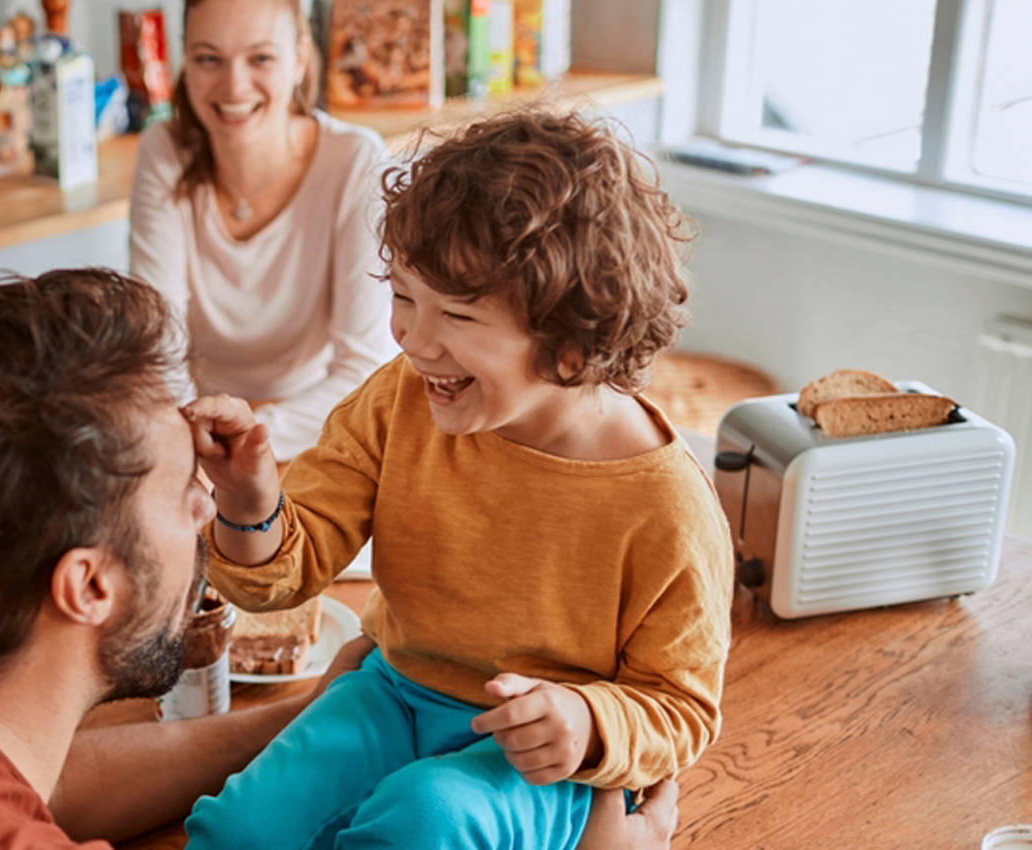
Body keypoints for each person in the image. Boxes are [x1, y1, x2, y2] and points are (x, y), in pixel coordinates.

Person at [0, 268, 679, 849]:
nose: (208, 506)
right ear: (88, 585)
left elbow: (37, 778)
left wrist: (313, 717)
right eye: (182, 493)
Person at [183, 111, 732, 849]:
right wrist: (250, 505)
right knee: (240, 828)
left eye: (460, 315)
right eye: (405, 297)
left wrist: (585, 722)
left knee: (422, 818)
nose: (412, 338)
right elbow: (281, 574)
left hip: (536, 760)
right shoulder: (397, 399)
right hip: (392, 694)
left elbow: (682, 708)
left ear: (573, 342)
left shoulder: (666, 505)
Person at [130, 0, 399, 461]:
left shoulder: (354, 160)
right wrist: (196, 436)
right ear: (186, 63)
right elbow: (157, 350)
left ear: (298, 58)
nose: (234, 85)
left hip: (315, 434)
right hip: (192, 433)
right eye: (208, 58)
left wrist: (242, 430)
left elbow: (365, 370)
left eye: (261, 58)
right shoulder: (164, 150)